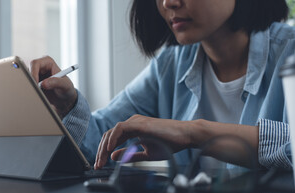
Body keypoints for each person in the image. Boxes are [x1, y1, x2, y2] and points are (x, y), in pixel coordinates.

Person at [31, 0, 293, 171]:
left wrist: (195, 133)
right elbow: (102, 142)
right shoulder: (170, 65)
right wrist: (69, 104)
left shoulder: (289, 52)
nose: (169, 2)